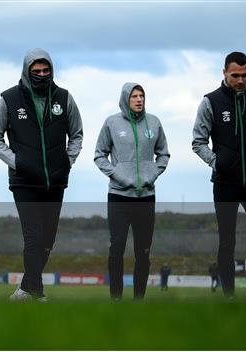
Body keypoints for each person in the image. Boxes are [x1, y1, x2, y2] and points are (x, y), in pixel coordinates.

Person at [0, 48, 83, 302]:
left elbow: (76, 135)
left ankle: (25, 288)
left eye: (46, 70)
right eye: (36, 71)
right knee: (33, 234)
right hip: (24, 181)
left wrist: (67, 161)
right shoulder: (9, 99)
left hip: (55, 181)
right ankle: (38, 293)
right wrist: (16, 162)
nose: (42, 75)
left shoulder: (64, 98)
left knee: (48, 239)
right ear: (27, 71)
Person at [192, 52, 246, 299]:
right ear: (224, 73)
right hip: (224, 184)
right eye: (235, 75)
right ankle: (229, 296)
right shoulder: (210, 102)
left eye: (245, 75)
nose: (241, 80)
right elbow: (198, 142)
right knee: (226, 242)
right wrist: (216, 162)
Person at [95, 83, 169, 301]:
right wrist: (119, 175)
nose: (139, 100)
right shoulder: (111, 122)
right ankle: (116, 298)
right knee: (116, 249)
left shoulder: (154, 123)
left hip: (146, 197)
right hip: (118, 196)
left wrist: (151, 174)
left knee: (143, 252)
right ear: (125, 99)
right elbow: (99, 155)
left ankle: (139, 299)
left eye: (142, 96)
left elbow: (163, 154)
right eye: (134, 96)